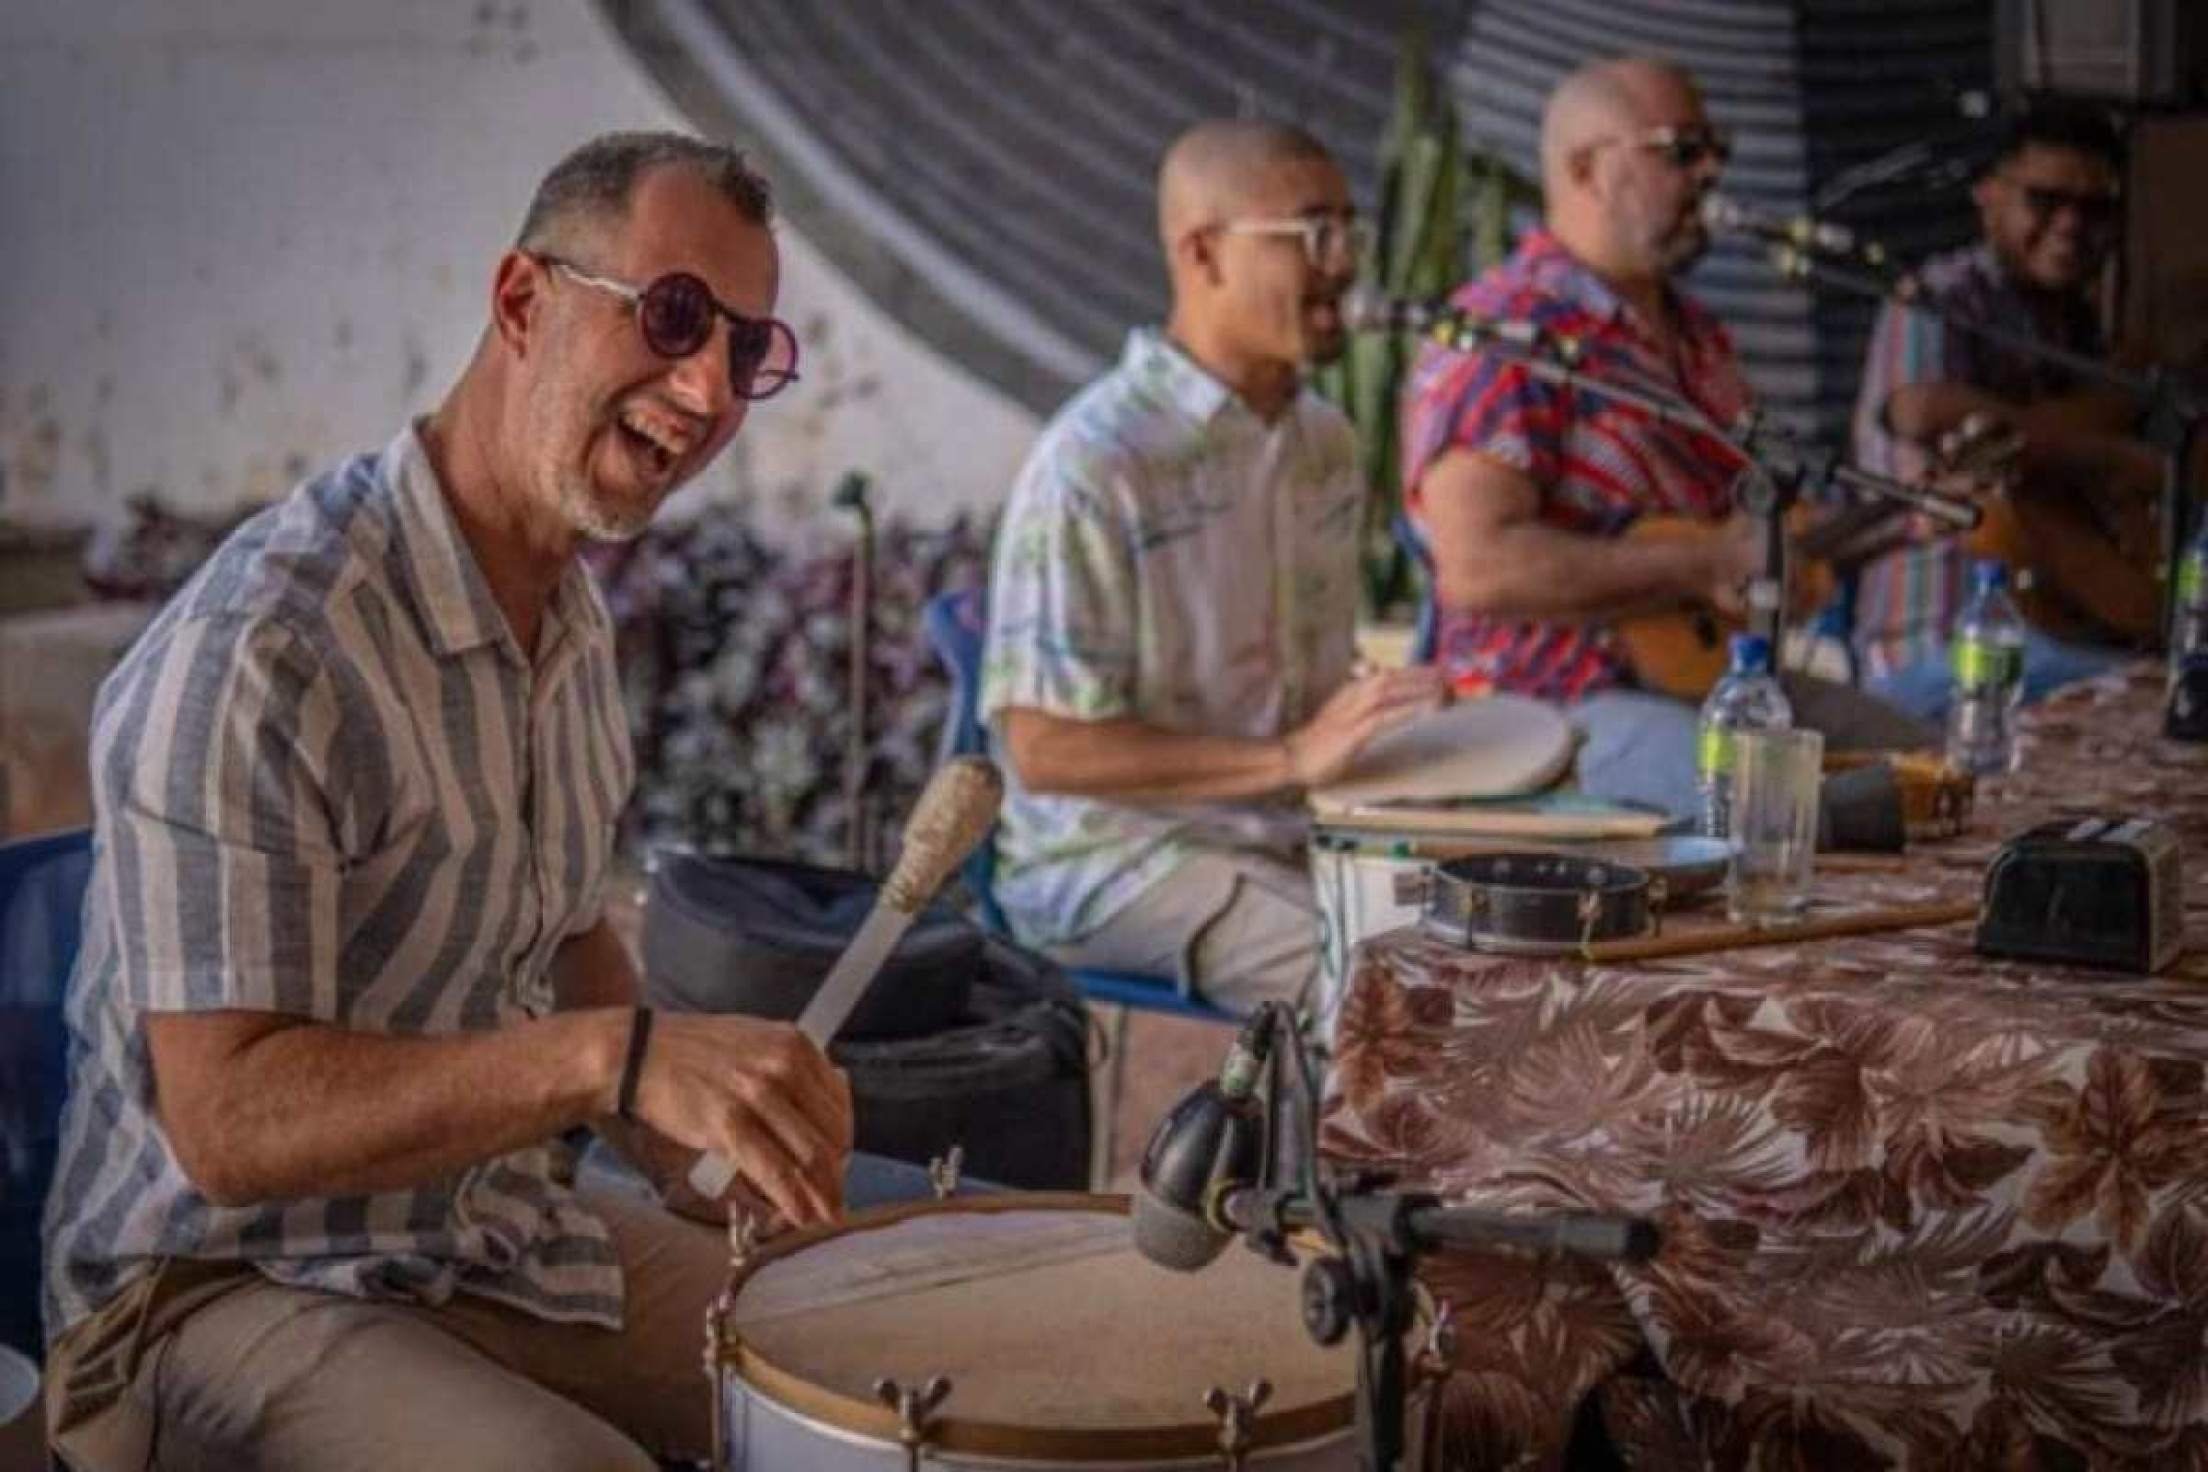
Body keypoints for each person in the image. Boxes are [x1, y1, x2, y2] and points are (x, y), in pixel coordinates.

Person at [40, 132, 854, 1471]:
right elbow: (227, 1124)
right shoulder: (270, 646)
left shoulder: (568, 618)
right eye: (673, 315)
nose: (707, 386)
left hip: (474, 1234)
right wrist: (620, 1061)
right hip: (209, 1289)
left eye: (748, 349)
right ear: (523, 301)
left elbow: (564, 936)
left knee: (852, 1358)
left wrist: (688, 1145)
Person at [982, 119, 1447, 1020]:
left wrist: (1386, 729)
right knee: (1385, 1000)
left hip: (1285, 834)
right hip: (1113, 862)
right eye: (1315, 234)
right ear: (1202, 253)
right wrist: (1288, 758)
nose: (1346, 264)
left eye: (1351, 232)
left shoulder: (1326, 442)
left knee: (1510, 947)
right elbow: (1043, 749)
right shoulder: (1096, 461)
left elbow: (1303, 705)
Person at [1401, 57, 1927, 820]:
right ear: (1587, 168)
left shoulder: (1696, 337)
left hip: (1711, 680)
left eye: (1718, 149)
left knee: (1929, 777)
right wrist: (1705, 560)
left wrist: (1867, 533)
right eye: (1681, 150)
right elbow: (1478, 566)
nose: (1711, 171)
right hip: (1553, 704)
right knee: (1785, 815)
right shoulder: (1507, 334)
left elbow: (1750, 530)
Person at [1851, 102, 2158, 718]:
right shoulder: (1938, 300)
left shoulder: (2085, 337)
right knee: (2163, 697)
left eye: (2095, 209)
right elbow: (1922, 414)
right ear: (1988, 198)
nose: (2072, 225)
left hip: (2055, 635)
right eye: (2045, 200)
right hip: (1939, 643)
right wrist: (2107, 446)